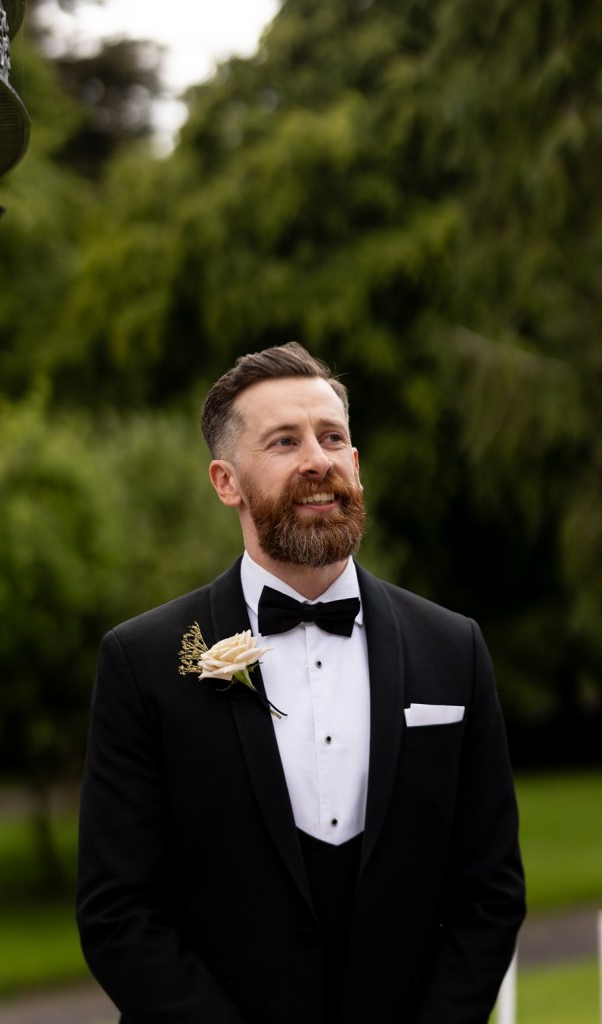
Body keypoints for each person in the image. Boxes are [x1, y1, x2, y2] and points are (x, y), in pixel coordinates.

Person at [76, 341, 525, 1024]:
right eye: (284, 441)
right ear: (225, 482)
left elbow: (489, 891)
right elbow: (118, 911)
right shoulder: (144, 661)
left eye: (333, 438)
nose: (317, 459)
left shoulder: (452, 647)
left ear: (356, 466)